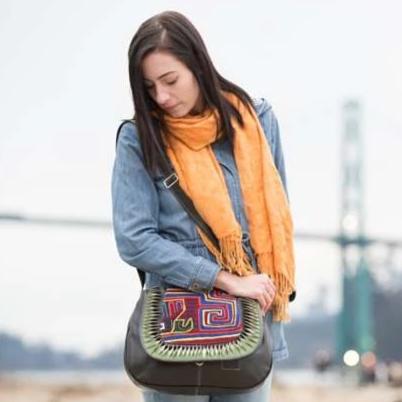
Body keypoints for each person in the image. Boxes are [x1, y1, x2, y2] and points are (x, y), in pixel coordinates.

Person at [112, 10, 296, 402]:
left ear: (197, 63)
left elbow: (278, 217)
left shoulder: (258, 120)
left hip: (250, 322)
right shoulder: (139, 139)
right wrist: (225, 279)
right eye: (148, 87)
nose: (161, 97)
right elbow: (135, 240)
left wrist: (260, 285)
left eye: (170, 80)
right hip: (175, 326)